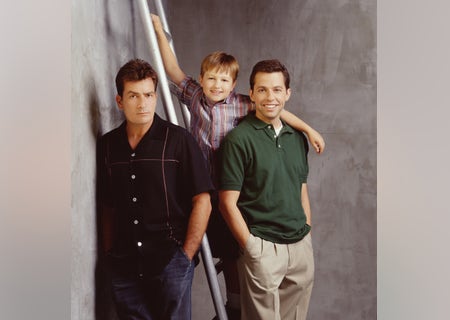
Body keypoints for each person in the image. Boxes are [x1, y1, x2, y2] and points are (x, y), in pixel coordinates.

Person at [152, 15, 323, 319]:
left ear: (233, 84)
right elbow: (174, 70)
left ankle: (232, 306)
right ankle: (175, 282)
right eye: (211, 78)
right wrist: (159, 33)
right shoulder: (195, 97)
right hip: (203, 183)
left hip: (232, 183)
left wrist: (309, 130)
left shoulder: (243, 103)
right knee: (191, 236)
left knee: (233, 251)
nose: (216, 85)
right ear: (202, 79)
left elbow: (279, 111)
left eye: (224, 80)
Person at [96, 59, 213, 319]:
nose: (142, 103)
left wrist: (185, 256)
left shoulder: (180, 140)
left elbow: (203, 200)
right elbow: (108, 206)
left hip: (170, 263)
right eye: (134, 96)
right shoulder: (107, 146)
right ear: (119, 101)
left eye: (148, 95)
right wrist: (109, 254)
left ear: (156, 96)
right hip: (125, 265)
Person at [219, 59, 315, 320]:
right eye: (262, 90)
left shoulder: (297, 138)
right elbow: (227, 203)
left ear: (287, 94)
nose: (269, 97)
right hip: (263, 247)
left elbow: (301, 189)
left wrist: (306, 231)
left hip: (299, 247)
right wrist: (251, 247)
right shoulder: (238, 140)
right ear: (251, 94)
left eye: (276, 90)